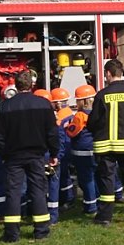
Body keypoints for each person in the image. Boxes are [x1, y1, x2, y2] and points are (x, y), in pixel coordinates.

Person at [0, 71, 59, 242]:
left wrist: (4, 154)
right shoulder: (43, 104)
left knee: (13, 192)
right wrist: (54, 153)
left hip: (13, 156)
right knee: (38, 191)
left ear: (15, 86)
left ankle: (11, 234)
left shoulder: (5, 106)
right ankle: (41, 230)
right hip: (37, 154)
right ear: (32, 85)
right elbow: (52, 132)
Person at [87, 58, 124, 226]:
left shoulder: (102, 95)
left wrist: (93, 129)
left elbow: (94, 121)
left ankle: (105, 217)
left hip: (107, 146)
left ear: (108, 74)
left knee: (107, 180)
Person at [65, 84, 99, 216]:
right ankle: (97, 202)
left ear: (83, 101)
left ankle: (90, 206)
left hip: (82, 152)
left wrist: (67, 127)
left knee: (86, 180)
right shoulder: (97, 113)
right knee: (95, 178)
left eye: (78, 100)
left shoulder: (80, 115)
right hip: (94, 150)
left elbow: (72, 132)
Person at [49, 87, 74, 223]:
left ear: (57, 103)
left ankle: (67, 198)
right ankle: (69, 198)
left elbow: (58, 137)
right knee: (66, 175)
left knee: (62, 175)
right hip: (70, 146)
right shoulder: (69, 112)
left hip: (63, 148)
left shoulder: (59, 118)